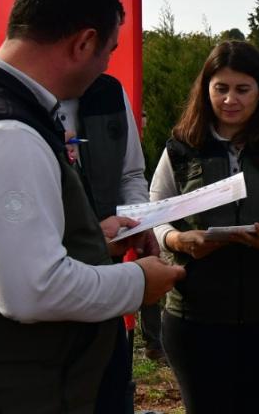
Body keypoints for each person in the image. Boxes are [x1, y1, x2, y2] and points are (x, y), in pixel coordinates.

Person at [0, 0, 183, 412]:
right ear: (84, 42)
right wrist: (139, 280)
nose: (106, 65)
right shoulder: (9, 133)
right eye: (108, 50)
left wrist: (89, 240)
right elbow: (32, 290)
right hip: (18, 388)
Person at [150, 40, 259, 414]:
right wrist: (177, 239)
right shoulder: (181, 147)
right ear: (205, 89)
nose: (230, 100)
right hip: (194, 319)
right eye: (220, 88)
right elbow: (155, 213)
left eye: (242, 89)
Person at [59, 72, 152, 413]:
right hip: (48, 306)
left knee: (110, 393)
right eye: (104, 47)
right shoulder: (11, 106)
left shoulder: (109, 92)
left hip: (107, 285)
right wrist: (92, 239)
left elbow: (130, 174)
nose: (106, 61)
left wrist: (139, 224)